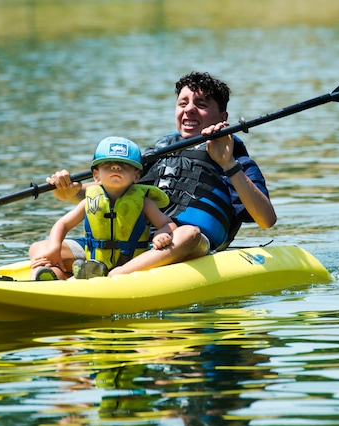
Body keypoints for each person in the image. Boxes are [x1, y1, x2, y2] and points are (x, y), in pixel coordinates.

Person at [35, 72, 277, 276]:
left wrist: (228, 163)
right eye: (183, 104)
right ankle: (53, 275)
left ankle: (116, 276)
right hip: (140, 242)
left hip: (190, 244)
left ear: (223, 117)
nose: (189, 110)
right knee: (41, 247)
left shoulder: (237, 161)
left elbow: (266, 220)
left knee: (187, 233)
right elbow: (113, 186)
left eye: (201, 105)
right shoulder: (158, 152)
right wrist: (72, 191)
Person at [29, 137, 177, 280]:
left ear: (136, 176)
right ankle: (50, 276)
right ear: (96, 175)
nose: (116, 167)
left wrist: (161, 234)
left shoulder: (143, 202)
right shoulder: (90, 199)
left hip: (131, 263)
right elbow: (63, 224)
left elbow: (168, 224)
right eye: (108, 164)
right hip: (96, 261)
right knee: (43, 251)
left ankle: (80, 274)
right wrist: (55, 247)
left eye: (124, 164)